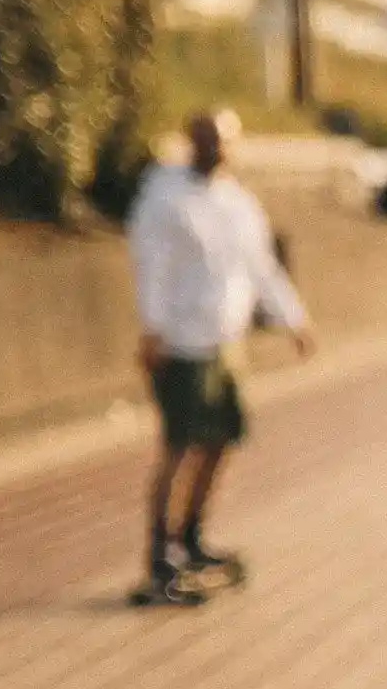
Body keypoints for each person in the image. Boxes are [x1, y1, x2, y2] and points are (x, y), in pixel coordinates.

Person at [126, 110, 315, 607]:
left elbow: (261, 266)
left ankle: (191, 538)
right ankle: (159, 556)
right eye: (207, 139)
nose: (216, 148)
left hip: (226, 341)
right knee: (179, 446)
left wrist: (294, 318)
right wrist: (153, 328)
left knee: (220, 441)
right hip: (181, 342)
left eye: (225, 140)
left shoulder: (238, 203)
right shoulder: (165, 198)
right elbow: (152, 266)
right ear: (192, 141)